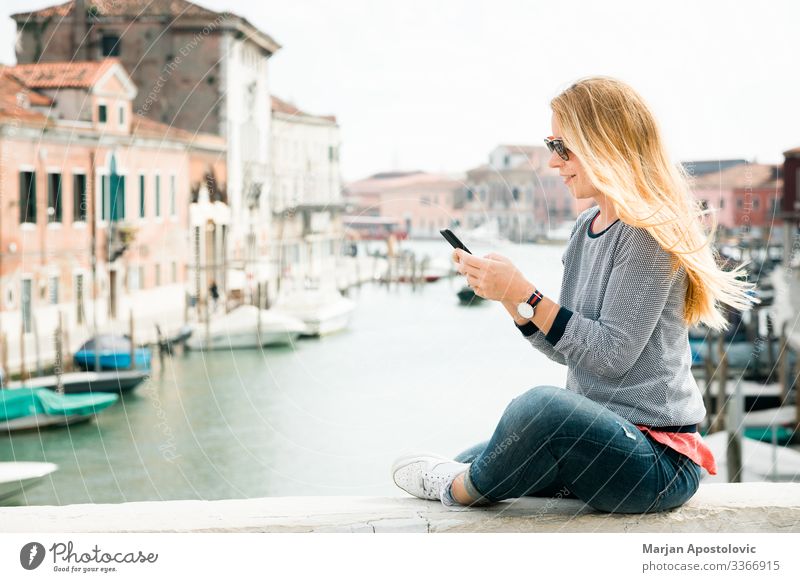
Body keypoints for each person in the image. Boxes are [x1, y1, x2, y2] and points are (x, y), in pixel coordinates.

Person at [391, 77, 757, 513]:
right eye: (551, 145)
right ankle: (462, 479)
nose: (552, 162)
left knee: (539, 410)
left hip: (656, 460)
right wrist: (509, 298)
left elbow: (611, 356)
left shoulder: (648, 234)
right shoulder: (585, 230)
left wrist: (524, 290)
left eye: (563, 146)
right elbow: (569, 350)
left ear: (605, 143)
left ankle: (455, 491)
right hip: (596, 447)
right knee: (484, 455)